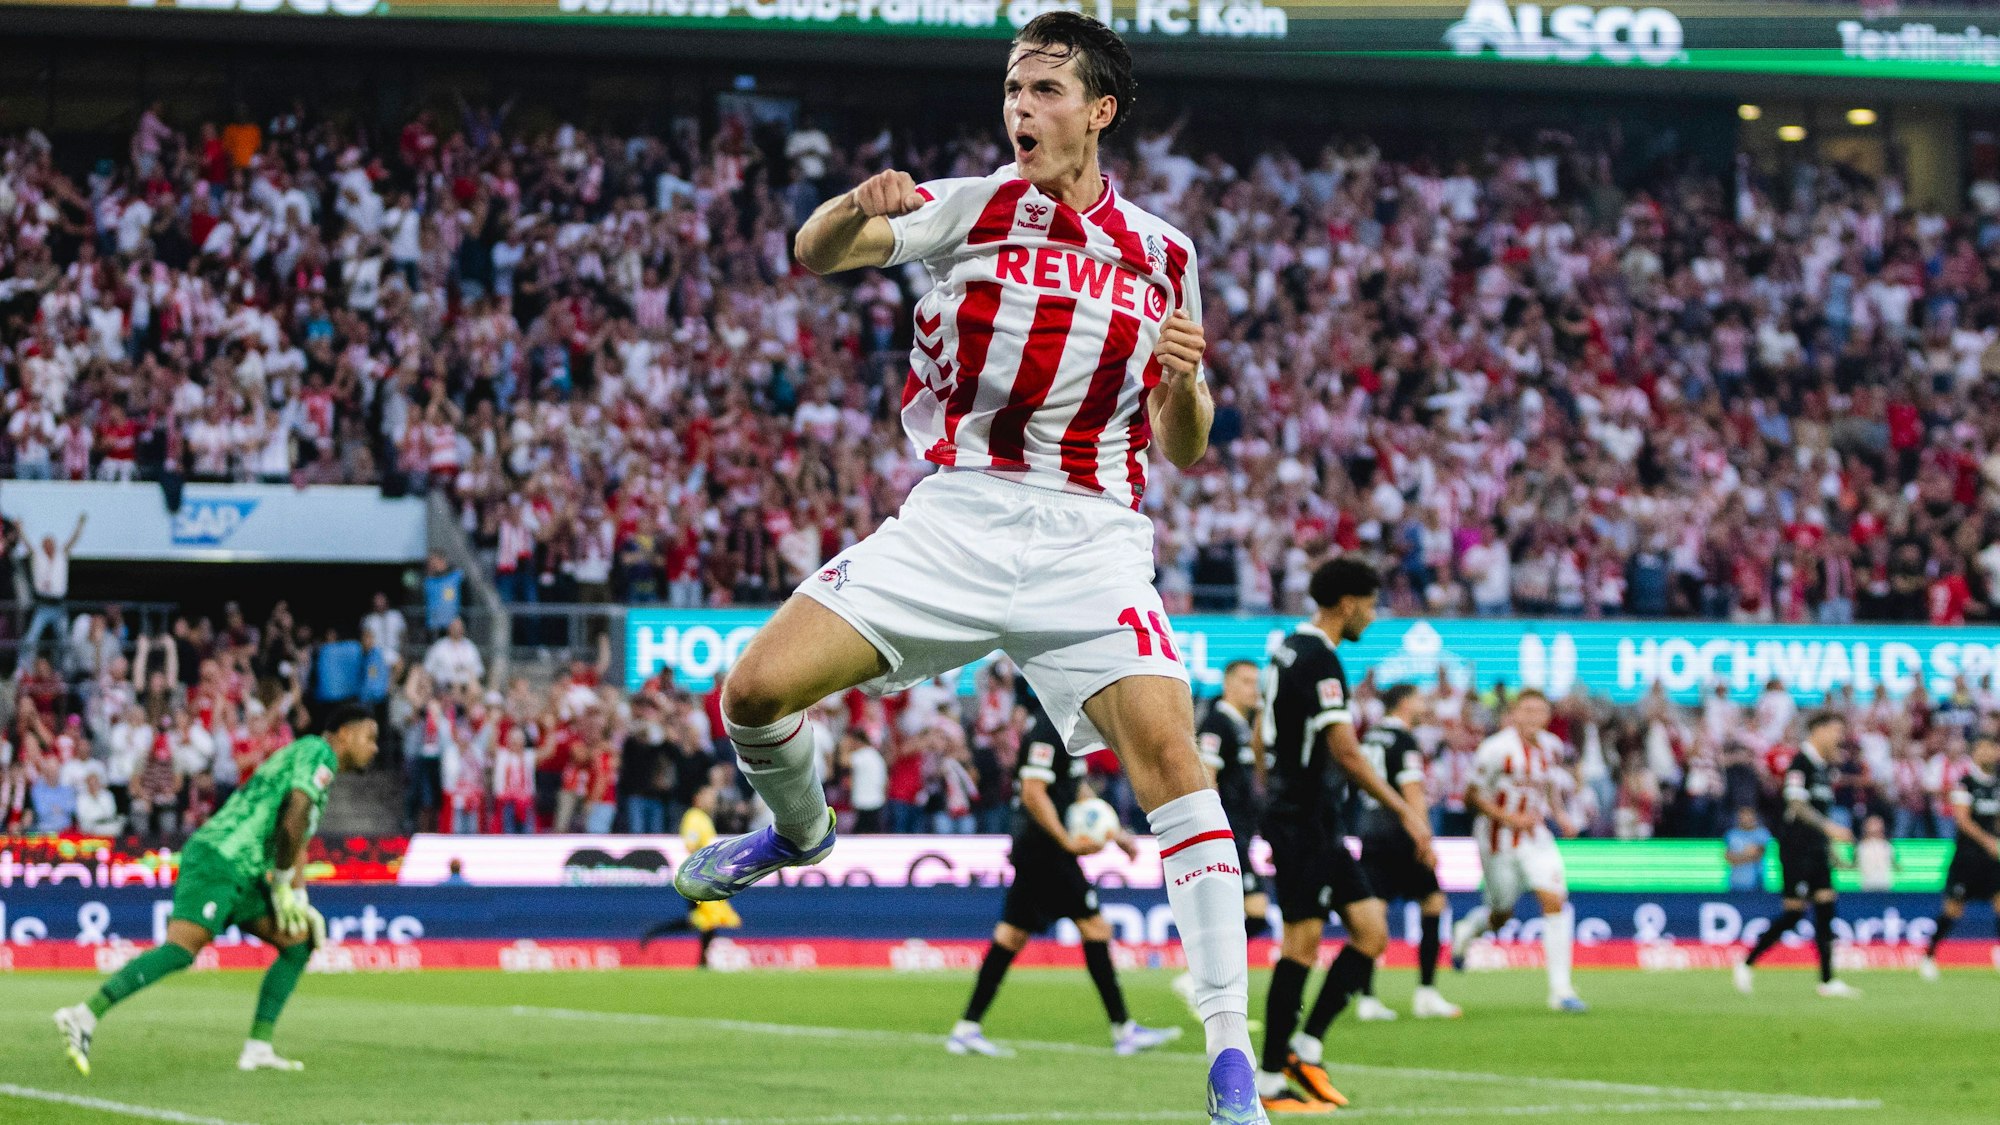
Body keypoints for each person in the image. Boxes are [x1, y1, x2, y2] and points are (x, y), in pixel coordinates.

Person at [675, 15, 1259, 1122]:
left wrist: (1185, 386)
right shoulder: (968, 205)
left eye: (1042, 90)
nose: (1018, 110)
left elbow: (1181, 441)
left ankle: (1229, 1058)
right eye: (1010, 89)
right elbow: (813, 255)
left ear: (1098, 111)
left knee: (1175, 765)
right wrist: (857, 206)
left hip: (1092, 532)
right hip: (956, 516)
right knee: (750, 692)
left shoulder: (1166, 253)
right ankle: (798, 833)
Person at [54, 704, 381, 1075]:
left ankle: (258, 1048)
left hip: (246, 870)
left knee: (299, 941)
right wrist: (284, 885)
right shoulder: (318, 753)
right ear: (344, 733)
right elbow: (294, 817)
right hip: (221, 856)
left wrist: (298, 896)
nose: (375, 748)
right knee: (182, 949)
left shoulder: (314, 765)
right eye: (369, 737)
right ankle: (84, 1015)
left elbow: (298, 833)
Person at [1253, 558, 1434, 1115]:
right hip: (1303, 820)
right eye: (1373, 606)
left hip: (1310, 817)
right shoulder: (1321, 659)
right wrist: (1405, 810)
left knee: (1371, 932)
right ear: (1348, 603)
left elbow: (1265, 738)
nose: (1374, 618)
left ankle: (1304, 1048)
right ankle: (1268, 1077)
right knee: (1302, 943)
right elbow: (1345, 749)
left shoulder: (1285, 650)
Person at [948, 696, 1180, 1059]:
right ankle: (1124, 1030)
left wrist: (1116, 833)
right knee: (1095, 928)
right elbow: (1033, 792)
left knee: (1010, 936)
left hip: (1039, 848)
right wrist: (1066, 841)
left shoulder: (1068, 731)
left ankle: (967, 1028)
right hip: (1043, 848)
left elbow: (1075, 787)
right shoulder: (1046, 730)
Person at [1450, 690, 1589, 1013]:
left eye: (1539, 711)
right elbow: (1471, 796)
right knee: (1501, 913)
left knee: (1554, 899)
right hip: (1498, 839)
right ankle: (1468, 929)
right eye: (1526, 710)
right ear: (1514, 713)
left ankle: (1561, 989)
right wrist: (1508, 817)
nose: (1532, 717)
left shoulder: (1551, 747)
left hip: (1536, 836)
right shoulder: (1496, 749)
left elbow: (1549, 789)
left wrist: (1561, 815)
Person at [1733, 712, 1861, 999]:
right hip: (1796, 848)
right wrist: (1831, 829)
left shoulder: (1824, 770)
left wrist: (1831, 849)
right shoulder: (1799, 763)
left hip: (1817, 850)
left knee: (1827, 908)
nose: (1839, 739)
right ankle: (1746, 962)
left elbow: (1820, 811)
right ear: (1819, 731)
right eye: (1836, 731)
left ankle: (1827, 980)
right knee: (1794, 914)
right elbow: (1796, 805)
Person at [1353, 684, 1459, 1020]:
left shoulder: (1370, 737)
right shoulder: (1403, 740)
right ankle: (1426, 992)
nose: (1423, 703)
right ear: (1404, 703)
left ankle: (1367, 997)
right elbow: (1412, 791)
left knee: (1375, 913)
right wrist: (1424, 838)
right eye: (1417, 698)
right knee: (1433, 903)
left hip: (1370, 831)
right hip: (1400, 832)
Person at [1919, 734, 2000, 980]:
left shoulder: (1996, 785)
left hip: (1992, 859)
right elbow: (1962, 820)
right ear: (1975, 753)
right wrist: (1988, 841)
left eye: (1993, 748)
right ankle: (1929, 955)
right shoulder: (1965, 783)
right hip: (1967, 858)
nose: (1990, 753)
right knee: (1954, 910)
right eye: (1984, 748)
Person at [641, 783, 742, 968]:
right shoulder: (694, 817)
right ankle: (655, 933)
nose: (712, 800)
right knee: (705, 920)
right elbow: (691, 845)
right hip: (698, 878)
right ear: (697, 798)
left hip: (704, 877)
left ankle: (701, 960)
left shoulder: (703, 818)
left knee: (705, 921)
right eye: (708, 796)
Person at [21, 515, 86, 661]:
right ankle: (23, 668)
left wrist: (80, 525)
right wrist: (20, 529)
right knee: (31, 638)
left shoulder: (61, 555)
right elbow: (27, 544)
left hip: (59, 605)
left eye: (51, 543)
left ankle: (63, 671)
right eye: (46, 543)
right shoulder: (38, 556)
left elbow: (72, 540)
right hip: (43, 604)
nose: (49, 546)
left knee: (63, 641)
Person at [1724, 805, 1774, 894]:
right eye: (1743, 815)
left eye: (1749, 815)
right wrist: (1746, 854)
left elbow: (1757, 855)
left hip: (1756, 884)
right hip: (1735, 883)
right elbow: (1728, 857)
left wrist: (1737, 857)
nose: (1746, 818)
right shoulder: (1731, 834)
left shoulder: (1762, 833)